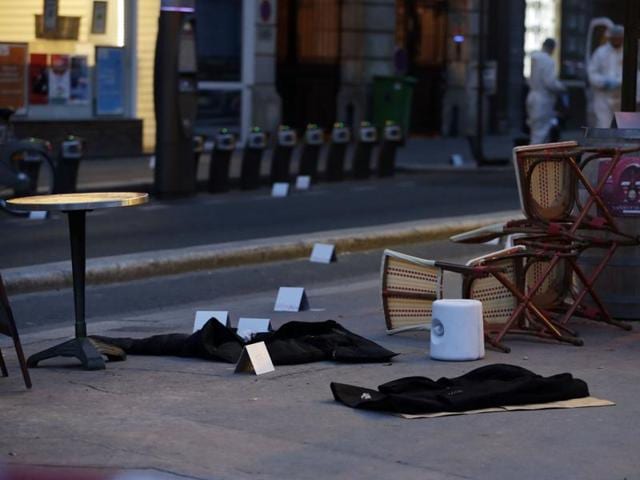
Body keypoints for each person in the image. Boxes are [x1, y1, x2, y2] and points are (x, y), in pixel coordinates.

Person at [526, 38, 566, 145]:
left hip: (532, 98)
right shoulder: (548, 61)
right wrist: (561, 87)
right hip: (543, 101)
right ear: (552, 48)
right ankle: (533, 159)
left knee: (535, 132)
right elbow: (550, 82)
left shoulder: (535, 58)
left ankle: (535, 158)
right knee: (540, 134)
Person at [588, 25, 624, 128]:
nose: (617, 40)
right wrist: (603, 82)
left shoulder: (629, 52)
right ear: (610, 38)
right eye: (615, 38)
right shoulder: (600, 52)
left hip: (622, 96)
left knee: (623, 128)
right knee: (603, 126)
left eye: (619, 38)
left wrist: (620, 82)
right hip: (603, 97)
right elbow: (592, 72)